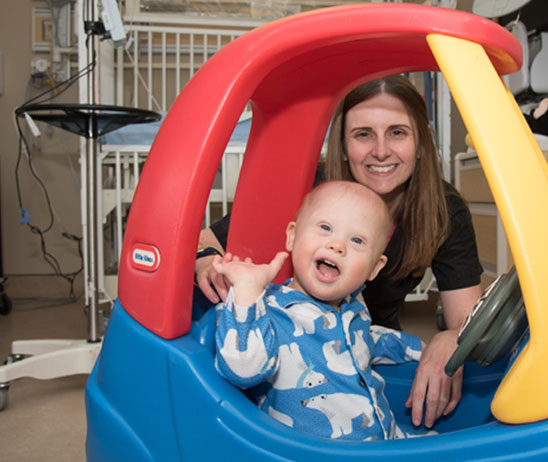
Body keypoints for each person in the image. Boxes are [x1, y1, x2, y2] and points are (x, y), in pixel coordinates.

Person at [196, 75, 483, 429]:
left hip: (366, 339)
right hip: (292, 347)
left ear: (421, 142)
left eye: (397, 132)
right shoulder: (308, 187)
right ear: (343, 145)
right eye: (363, 134)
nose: (381, 151)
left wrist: (448, 338)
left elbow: (466, 321)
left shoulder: (443, 208)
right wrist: (206, 258)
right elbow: (206, 238)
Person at [213, 181, 426, 441]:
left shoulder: (354, 306)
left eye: (357, 240)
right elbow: (243, 370)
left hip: (386, 438)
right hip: (317, 452)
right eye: (325, 227)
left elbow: (368, 340)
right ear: (292, 236)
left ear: (374, 268)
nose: (337, 245)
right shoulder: (267, 310)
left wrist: (422, 349)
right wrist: (246, 292)